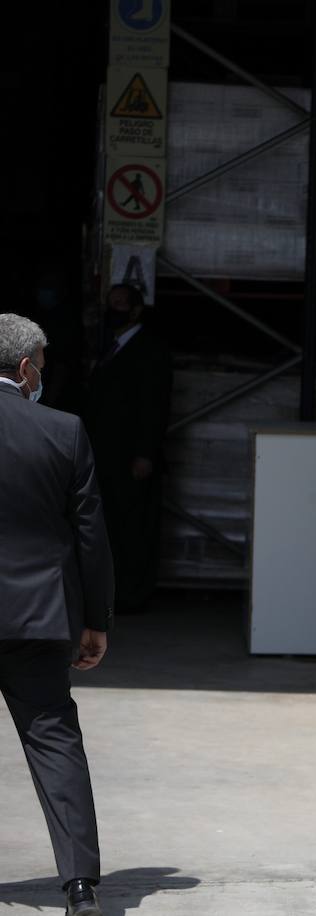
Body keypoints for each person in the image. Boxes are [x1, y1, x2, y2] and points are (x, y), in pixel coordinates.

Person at [0, 313, 114, 916]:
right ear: (24, 370)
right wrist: (95, 620)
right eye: (41, 365)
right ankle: (79, 887)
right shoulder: (64, 431)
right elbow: (90, 536)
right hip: (38, 618)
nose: (43, 376)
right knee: (53, 739)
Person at [83, 284, 173, 614]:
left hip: (132, 457)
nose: (114, 309)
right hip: (109, 455)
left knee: (134, 527)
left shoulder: (150, 350)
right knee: (114, 525)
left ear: (136, 310)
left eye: (121, 304)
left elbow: (155, 405)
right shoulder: (113, 348)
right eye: (111, 303)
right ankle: (116, 592)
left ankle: (134, 594)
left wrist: (145, 453)